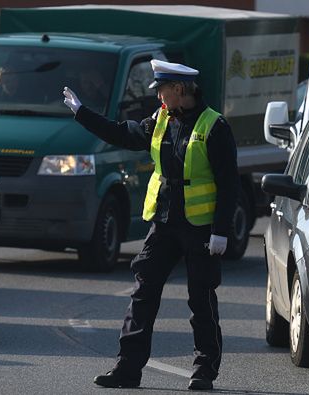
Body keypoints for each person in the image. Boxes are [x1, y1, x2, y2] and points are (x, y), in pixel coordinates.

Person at [63, 59, 239, 391]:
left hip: (200, 227)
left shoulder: (214, 126)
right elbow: (121, 133)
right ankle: (127, 369)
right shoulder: (160, 120)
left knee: (200, 298)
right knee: (143, 295)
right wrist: (82, 113)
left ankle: (204, 370)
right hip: (163, 223)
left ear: (180, 89)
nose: (158, 96)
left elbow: (229, 183)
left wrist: (220, 230)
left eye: (162, 89)